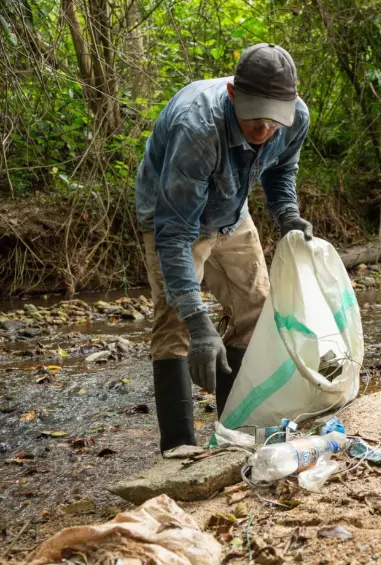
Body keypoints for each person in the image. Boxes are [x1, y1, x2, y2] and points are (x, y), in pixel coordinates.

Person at [135, 43, 313, 453]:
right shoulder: (197, 128)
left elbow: (282, 169)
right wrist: (200, 324)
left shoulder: (294, 116)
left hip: (232, 212)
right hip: (172, 217)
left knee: (257, 308)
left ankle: (233, 429)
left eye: (275, 121)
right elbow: (175, 233)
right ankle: (179, 447)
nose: (266, 129)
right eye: (255, 121)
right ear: (233, 95)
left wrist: (286, 213)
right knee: (176, 323)